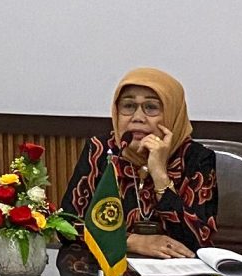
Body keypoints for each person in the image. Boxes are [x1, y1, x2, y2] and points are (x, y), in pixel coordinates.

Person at [61, 67, 218, 259]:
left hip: (175, 272)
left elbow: (199, 242)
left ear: (172, 113)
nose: (137, 118)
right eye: (128, 106)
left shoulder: (197, 158)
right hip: (109, 270)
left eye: (151, 107)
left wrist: (159, 174)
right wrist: (130, 241)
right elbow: (66, 225)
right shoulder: (101, 150)